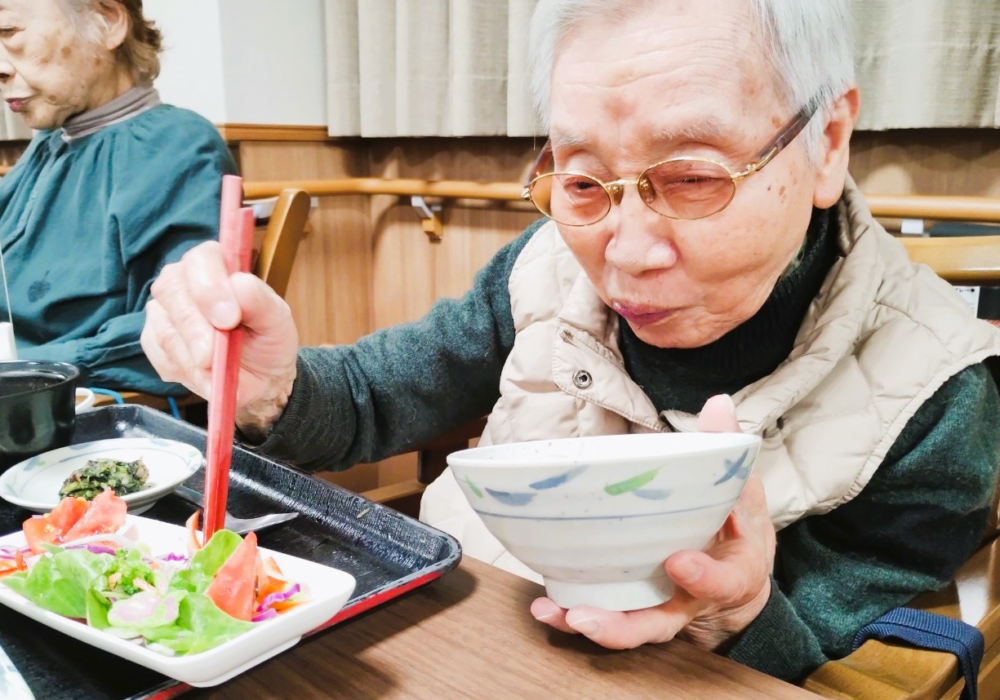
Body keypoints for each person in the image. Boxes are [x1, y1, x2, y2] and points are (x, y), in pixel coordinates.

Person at [140, 0, 1000, 685]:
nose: (621, 252)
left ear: (828, 143)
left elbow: (852, 666)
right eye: (584, 180)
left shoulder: (935, 394)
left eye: (692, 176)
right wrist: (272, 388)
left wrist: (740, 615)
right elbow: (375, 398)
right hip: (456, 647)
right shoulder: (545, 265)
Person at [0, 0, 236, 395]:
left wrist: (27, 368)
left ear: (107, 21)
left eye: (7, 32)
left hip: (66, 414)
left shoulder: (176, 144)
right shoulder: (46, 146)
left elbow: (181, 326)